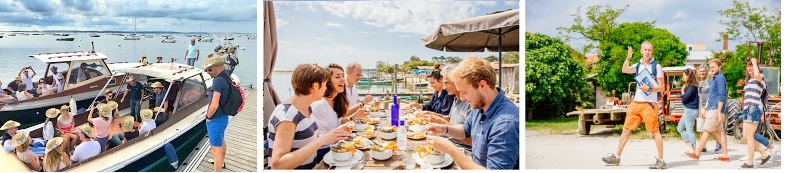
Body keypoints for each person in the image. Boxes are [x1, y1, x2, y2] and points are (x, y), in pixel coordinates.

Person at [424, 56, 519, 170]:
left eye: (464, 92)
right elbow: (465, 130)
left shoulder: (505, 123)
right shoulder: (481, 104)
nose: (462, 98)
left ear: (482, 85)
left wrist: (450, 149)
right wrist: (444, 129)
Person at [267, 64, 352, 169]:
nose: (326, 88)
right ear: (315, 86)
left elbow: (308, 139)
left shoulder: (307, 108)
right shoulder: (288, 116)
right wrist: (321, 140)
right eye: (325, 84)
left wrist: (336, 133)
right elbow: (278, 165)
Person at [602, 42, 666, 169]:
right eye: (645, 50)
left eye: (649, 50)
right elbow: (624, 70)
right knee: (626, 130)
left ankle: (661, 161)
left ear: (652, 51)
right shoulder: (638, 66)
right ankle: (616, 157)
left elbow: (662, 87)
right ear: (641, 51)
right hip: (636, 103)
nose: (647, 52)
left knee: (655, 132)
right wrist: (628, 57)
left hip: (649, 105)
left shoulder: (656, 66)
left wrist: (649, 88)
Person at [310, 63, 369, 162]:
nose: (343, 79)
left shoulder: (334, 101)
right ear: (327, 81)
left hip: (337, 145)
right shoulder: (319, 105)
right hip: (324, 153)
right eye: (338, 77)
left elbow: (338, 122)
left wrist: (354, 117)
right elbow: (317, 139)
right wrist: (340, 131)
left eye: (342, 76)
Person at [687, 59, 730, 162]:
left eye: (713, 67)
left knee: (705, 130)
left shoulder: (720, 78)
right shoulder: (714, 78)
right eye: (710, 68)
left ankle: (697, 153)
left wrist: (719, 112)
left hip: (716, 109)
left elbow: (721, 96)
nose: (711, 69)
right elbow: (712, 95)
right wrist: (706, 107)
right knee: (721, 132)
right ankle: (725, 155)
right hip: (712, 108)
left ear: (720, 67)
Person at [739, 58, 773, 168]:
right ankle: (764, 154)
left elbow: (757, 75)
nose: (749, 68)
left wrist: (754, 62)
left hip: (754, 109)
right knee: (746, 136)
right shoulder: (749, 81)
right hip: (747, 109)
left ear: (756, 67)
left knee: (749, 136)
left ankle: (750, 162)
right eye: (747, 66)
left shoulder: (760, 78)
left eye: (751, 66)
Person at [202, 57, 234, 171]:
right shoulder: (226, 77)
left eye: (210, 70)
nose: (207, 72)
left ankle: (218, 166)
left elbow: (214, 105)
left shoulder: (218, 81)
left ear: (219, 67)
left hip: (215, 119)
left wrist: (208, 116)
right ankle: (221, 162)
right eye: (207, 70)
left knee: (215, 150)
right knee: (221, 141)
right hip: (223, 116)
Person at [696, 65, 722, 153]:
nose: (702, 73)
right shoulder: (698, 82)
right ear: (698, 72)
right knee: (701, 127)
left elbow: (712, 94)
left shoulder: (710, 81)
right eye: (701, 71)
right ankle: (703, 146)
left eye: (704, 71)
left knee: (711, 128)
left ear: (706, 72)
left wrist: (706, 106)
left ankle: (719, 143)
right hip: (700, 107)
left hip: (709, 106)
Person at [677, 68, 699, 155]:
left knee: (690, 131)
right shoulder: (690, 86)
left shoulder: (691, 86)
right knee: (680, 128)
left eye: (683, 75)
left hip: (690, 110)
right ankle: (688, 146)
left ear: (688, 76)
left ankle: (694, 150)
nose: (683, 77)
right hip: (688, 110)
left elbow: (685, 99)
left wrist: (682, 90)